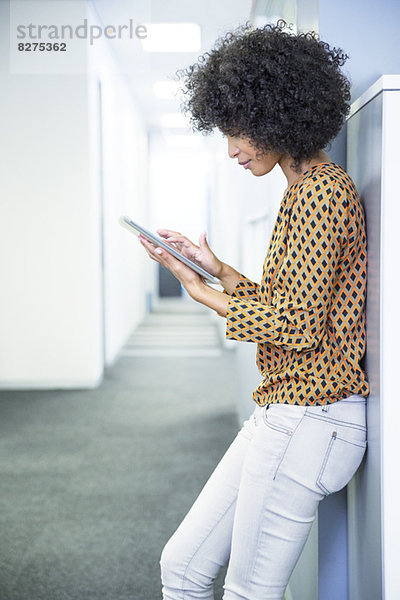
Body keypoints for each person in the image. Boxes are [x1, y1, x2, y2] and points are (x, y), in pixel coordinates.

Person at [139, 21, 370, 600]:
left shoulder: (322, 189)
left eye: (239, 132)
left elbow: (295, 324)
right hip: (287, 410)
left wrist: (202, 295)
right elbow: (285, 302)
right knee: (183, 565)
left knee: (248, 592)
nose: (233, 149)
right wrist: (215, 270)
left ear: (279, 117)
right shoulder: (304, 190)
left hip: (312, 415)